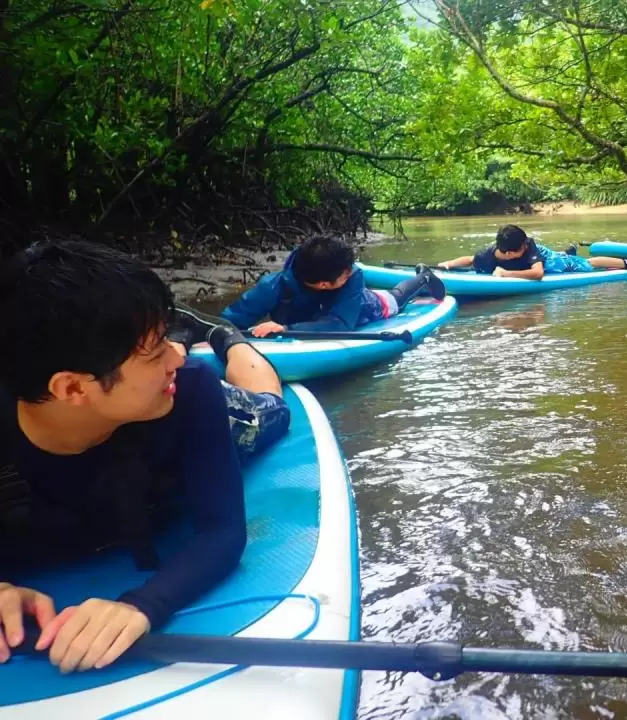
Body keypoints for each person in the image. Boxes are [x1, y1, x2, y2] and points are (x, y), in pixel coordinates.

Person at [0, 240, 290, 673]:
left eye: (168, 341)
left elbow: (223, 531)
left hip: (195, 411)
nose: (178, 355)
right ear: (74, 388)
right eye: (156, 352)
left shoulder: (191, 388)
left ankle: (226, 339)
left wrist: (143, 605)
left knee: (270, 411)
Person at [221, 235, 446, 338]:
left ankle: (423, 278)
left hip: (370, 307)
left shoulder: (354, 276)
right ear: (323, 284)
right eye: (345, 272)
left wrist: (287, 329)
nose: (353, 270)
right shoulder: (271, 287)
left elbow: (340, 325)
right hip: (316, 316)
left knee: (396, 297)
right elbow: (227, 321)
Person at [438, 225, 627, 278]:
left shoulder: (528, 244)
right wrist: (447, 264)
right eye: (521, 247)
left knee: (584, 265)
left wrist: (506, 273)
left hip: (545, 260)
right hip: (542, 260)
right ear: (509, 253)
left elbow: (538, 273)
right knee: (566, 259)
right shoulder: (487, 255)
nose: (525, 245)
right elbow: (470, 260)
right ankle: (567, 253)